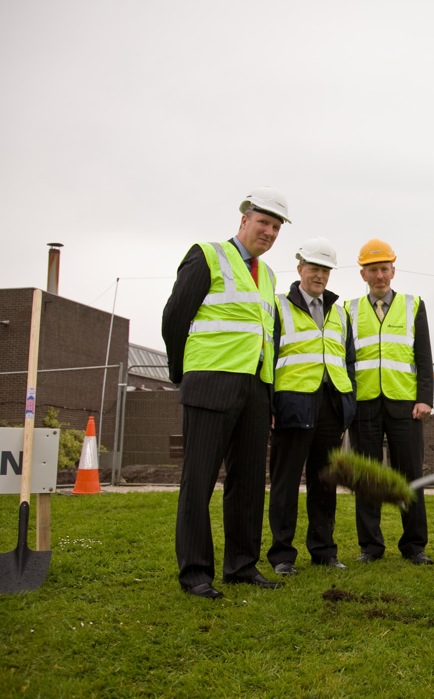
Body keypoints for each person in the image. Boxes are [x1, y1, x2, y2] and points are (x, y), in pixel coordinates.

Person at [161, 186, 290, 599]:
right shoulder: (207, 254)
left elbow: (266, 336)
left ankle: (242, 566)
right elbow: (174, 316)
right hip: (211, 383)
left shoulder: (268, 276)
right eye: (263, 223)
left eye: (275, 226)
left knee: (249, 482)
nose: (268, 232)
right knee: (198, 480)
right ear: (243, 221)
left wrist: (267, 394)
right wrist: (184, 373)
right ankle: (196, 574)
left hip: (255, 389)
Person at [267, 238, 357, 576]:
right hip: (292, 404)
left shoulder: (339, 312)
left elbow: (347, 360)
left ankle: (324, 551)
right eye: (313, 268)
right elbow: (270, 357)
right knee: (285, 482)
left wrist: (347, 403)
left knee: (324, 483)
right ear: (300, 268)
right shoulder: (279, 307)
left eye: (325, 270)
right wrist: (270, 403)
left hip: (331, 406)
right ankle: (282, 557)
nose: (319, 275)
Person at [345, 238, 434, 565]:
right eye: (373, 270)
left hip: (405, 405)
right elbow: (346, 360)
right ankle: (370, 547)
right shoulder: (348, 310)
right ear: (363, 274)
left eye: (384, 269)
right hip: (364, 405)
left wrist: (425, 398)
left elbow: (423, 357)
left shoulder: (414, 305)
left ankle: (414, 546)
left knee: (409, 477)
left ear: (393, 270)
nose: (379, 275)